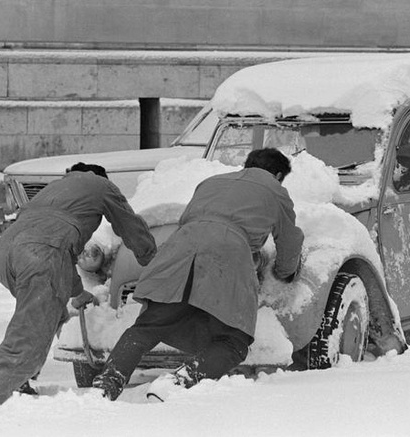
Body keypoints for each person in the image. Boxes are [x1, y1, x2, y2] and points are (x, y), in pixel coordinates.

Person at [92, 148, 304, 401]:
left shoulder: (210, 182)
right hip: (229, 253)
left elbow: (188, 219)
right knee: (233, 341)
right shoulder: (276, 191)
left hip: (180, 248)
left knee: (148, 326)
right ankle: (179, 381)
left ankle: (105, 384)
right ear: (278, 174)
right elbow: (290, 240)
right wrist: (284, 272)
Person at [0, 162, 156, 405]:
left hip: (7, 252)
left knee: (51, 314)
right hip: (39, 255)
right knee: (29, 337)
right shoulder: (101, 185)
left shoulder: (54, 189)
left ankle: (19, 379)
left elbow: (57, 249)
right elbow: (131, 227)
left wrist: (77, 292)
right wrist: (155, 261)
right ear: (100, 175)